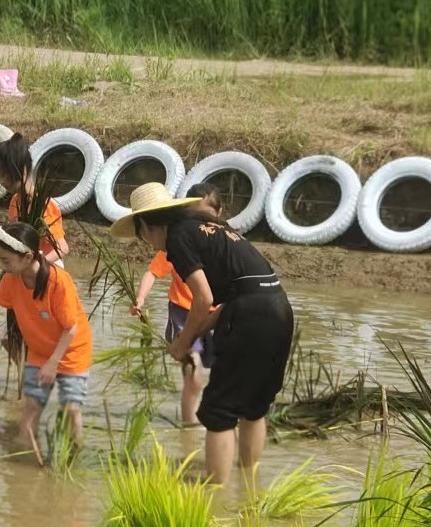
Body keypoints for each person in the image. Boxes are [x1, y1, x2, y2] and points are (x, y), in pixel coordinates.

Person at [112, 181, 294, 485]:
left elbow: (203, 298)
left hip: (249, 313)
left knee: (218, 411)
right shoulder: (213, 228)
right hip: (279, 310)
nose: (143, 241)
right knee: (253, 407)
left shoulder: (179, 237)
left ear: (145, 224)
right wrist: (194, 335)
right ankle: (249, 487)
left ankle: (215, 496)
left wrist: (183, 342)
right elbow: (236, 294)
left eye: (139, 232)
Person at [0, 222, 93, 456]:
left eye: (5, 260)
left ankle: (74, 457)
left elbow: (70, 328)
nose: (2, 266)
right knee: (31, 407)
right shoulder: (13, 279)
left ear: (27, 256)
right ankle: (24, 464)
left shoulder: (58, 282)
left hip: (71, 352)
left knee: (71, 408)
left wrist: (53, 363)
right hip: (39, 353)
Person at [131, 182, 223, 427]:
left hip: (216, 315)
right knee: (194, 374)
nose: (201, 221)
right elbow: (152, 273)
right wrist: (140, 298)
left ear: (219, 214)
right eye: (196, 215)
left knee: (215, 375)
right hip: (184, 312)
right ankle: (189, 428)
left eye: (207, 215)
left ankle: (210, 421)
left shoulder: (222, 244)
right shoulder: (178, 242)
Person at [0, 133, 68, 264]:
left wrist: (36, 266)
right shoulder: (15, 202)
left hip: (46, 267)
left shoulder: (44, 205)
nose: (2, 181)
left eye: (4, 174)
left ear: (21, 170)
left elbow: (62, 248)